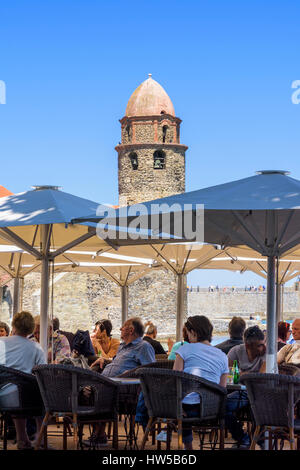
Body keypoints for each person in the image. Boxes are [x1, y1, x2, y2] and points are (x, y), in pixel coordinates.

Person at [85, 317, 155, 447]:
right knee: (82, 389)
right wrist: (105, 361)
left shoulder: (143, 346)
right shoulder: (122, 346)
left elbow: (150, 371)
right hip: (108, 382)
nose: (120, 329)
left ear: (131, 330)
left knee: (96, 390)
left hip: (125, 388)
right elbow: (120, 363)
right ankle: (98, 432)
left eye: (123, 326)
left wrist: (127, 375)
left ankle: (99, 434)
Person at [173, 315, 228, 450]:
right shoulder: (222, 355)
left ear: (193, 332)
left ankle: (188, 446)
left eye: (187, 332)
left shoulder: (184, 349)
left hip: (185, 409)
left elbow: (175, 379)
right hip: (211, 409)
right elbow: (222, 389)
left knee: (182, 400)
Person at [0, 311, 46, 450]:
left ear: (14, 326)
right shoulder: (36, 348)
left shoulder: (1, 342)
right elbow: (42, 372)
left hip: (2, 395)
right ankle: (40, 436)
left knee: (15, 388)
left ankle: (22, 438)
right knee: (41, 390)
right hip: (27, 399)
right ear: (31, 329)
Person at [226, 325, 266, 449]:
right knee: (222, 405)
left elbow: (262, 377)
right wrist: (251, 376)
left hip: (259, 393)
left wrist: (243, 375)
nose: (263, 347)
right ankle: (243, 438)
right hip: (241, 392)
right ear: (248, 346)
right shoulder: (236, 351)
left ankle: (259, 439)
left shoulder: (266, 352)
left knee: (256, 408)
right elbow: (228, 374)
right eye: (259, 345)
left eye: (263, 343)